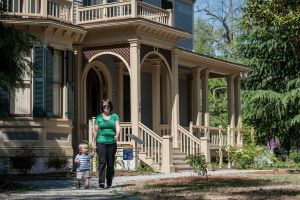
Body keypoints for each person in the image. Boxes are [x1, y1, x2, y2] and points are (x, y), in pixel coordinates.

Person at [93, 99, 120, 189]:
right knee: (102, 161)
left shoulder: (114, 116)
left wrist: (117, 134)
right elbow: (95, 130)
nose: (106, 107)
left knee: (110, 163)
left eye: (108, 105)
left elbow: (118, 127)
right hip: (101, 142)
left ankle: (109, 181)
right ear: (102, 107)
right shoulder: (99, 117)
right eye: (104, 106)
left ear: (110, 106)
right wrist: (93, 142)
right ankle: (101, 182)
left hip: (112, 142)